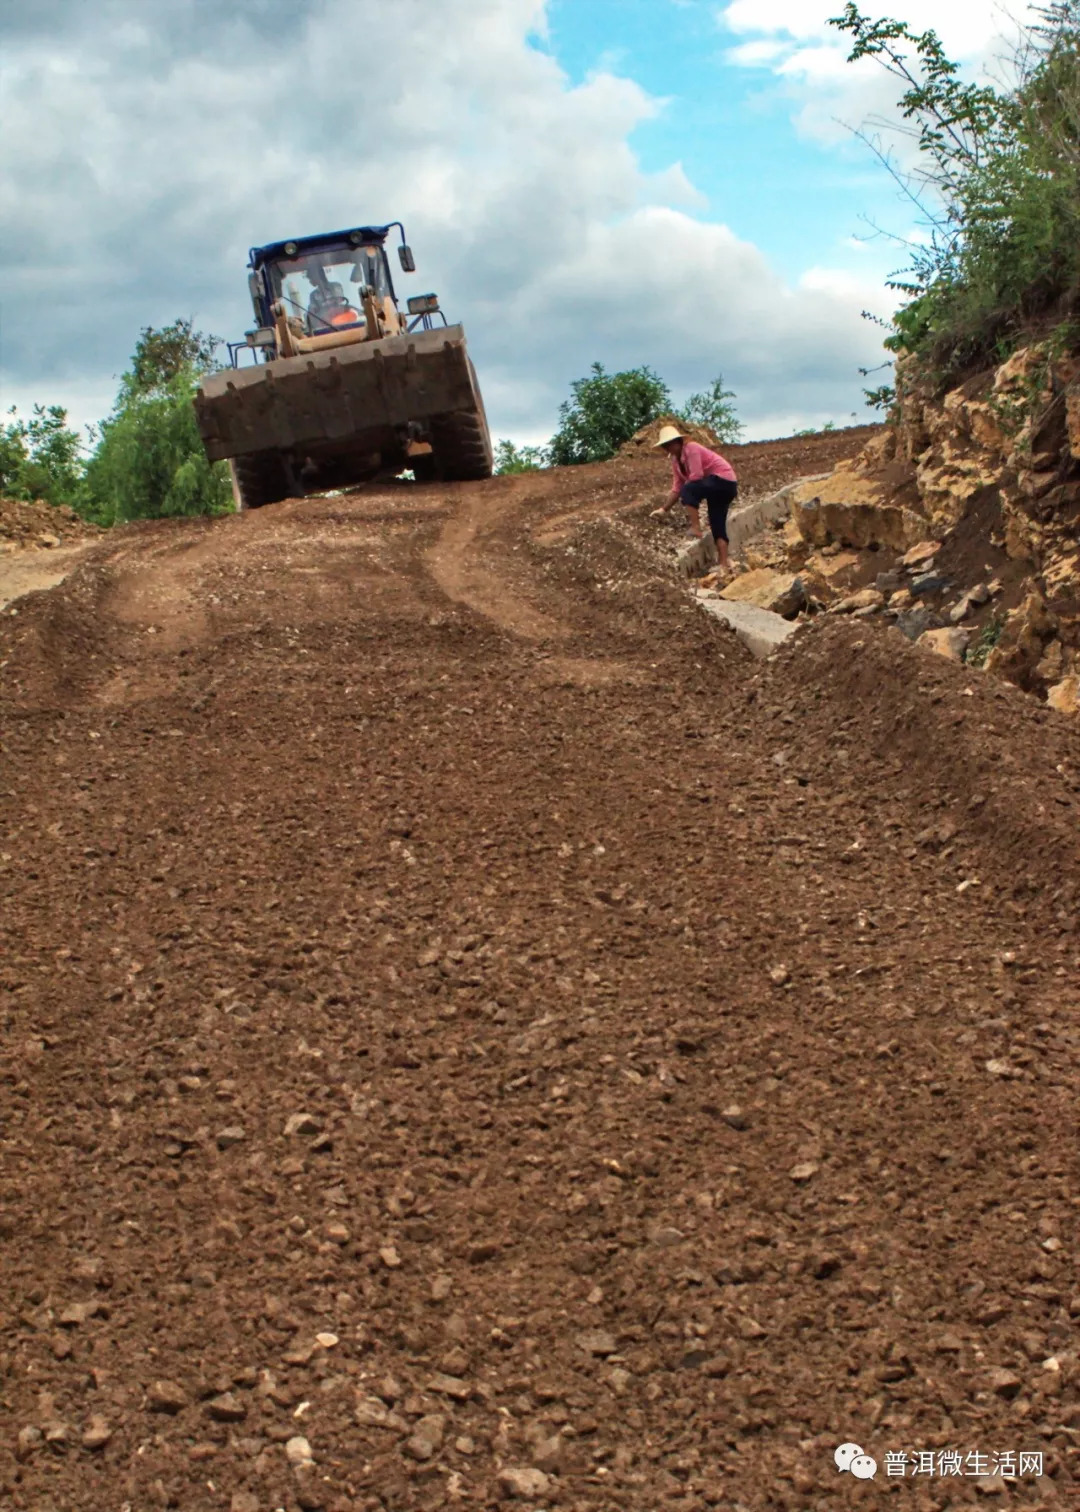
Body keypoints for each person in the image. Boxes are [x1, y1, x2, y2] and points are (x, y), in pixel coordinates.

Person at [649, 424, 738, 572]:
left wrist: (688, 492)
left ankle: (696, 527)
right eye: (666, 446)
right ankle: (724, 564)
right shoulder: (675, 461)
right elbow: (677, 487)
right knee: (716, 521)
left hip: (724, 481)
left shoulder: (692, 448)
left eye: (670, 444)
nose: (668, 448)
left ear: (678, 442)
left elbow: (696, 476)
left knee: (689, 488)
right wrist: (663, 509)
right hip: (714, 488)